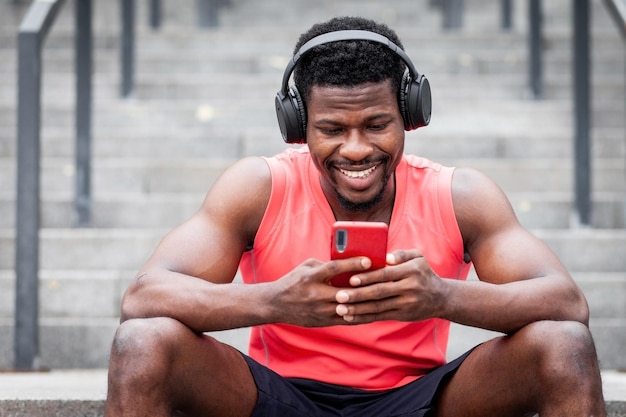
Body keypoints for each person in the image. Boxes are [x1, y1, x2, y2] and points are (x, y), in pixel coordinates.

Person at [104, 16, 606, 417]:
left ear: (410, 113)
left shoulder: (460, 194)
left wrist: (441, 295)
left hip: (418, 398)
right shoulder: (258, 187)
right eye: (331, 128)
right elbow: (144, 297)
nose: (356, 149)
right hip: (278, 396)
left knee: (562, 345)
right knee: (143, 342)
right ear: (298, 124)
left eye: (377, 124)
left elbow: (566, 303)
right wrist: (273, 301)